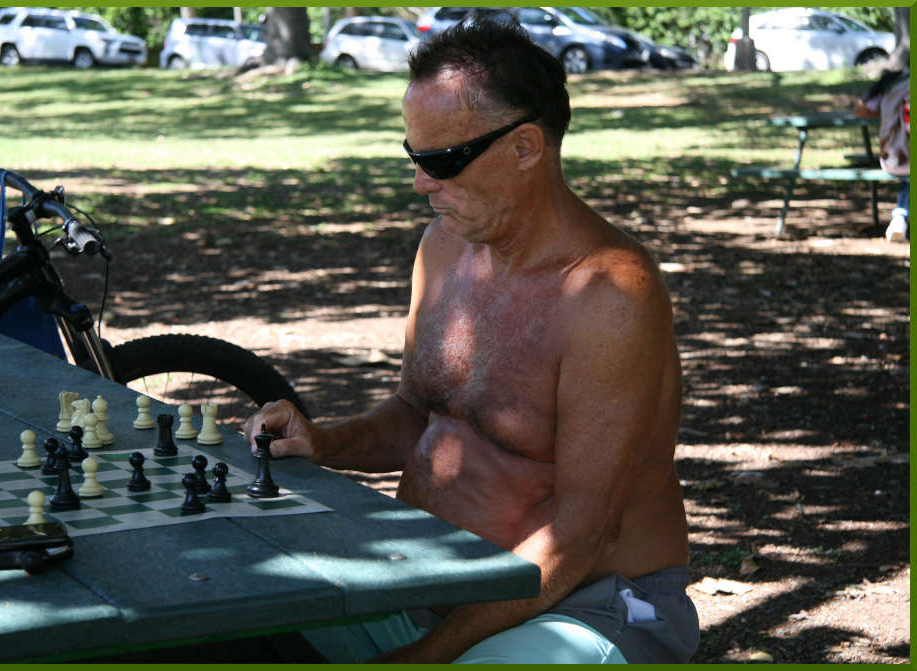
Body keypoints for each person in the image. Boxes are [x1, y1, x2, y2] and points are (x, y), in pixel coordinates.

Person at [245, 19, 698, 664]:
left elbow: (583, 536)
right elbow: (420, 420)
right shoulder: (444, 247)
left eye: (442, 161)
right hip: (432, 586)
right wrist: (324, 442)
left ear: (525, 148)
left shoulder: (610, 294)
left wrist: (422, 659)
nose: (421, 183)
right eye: (413, 157)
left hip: (590, 606)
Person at [854, 67, 910, 242]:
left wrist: (889, 111)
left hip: (893, 155)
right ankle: (900, 217)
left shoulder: (893, 82)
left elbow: (861, 109)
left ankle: (900, 217)